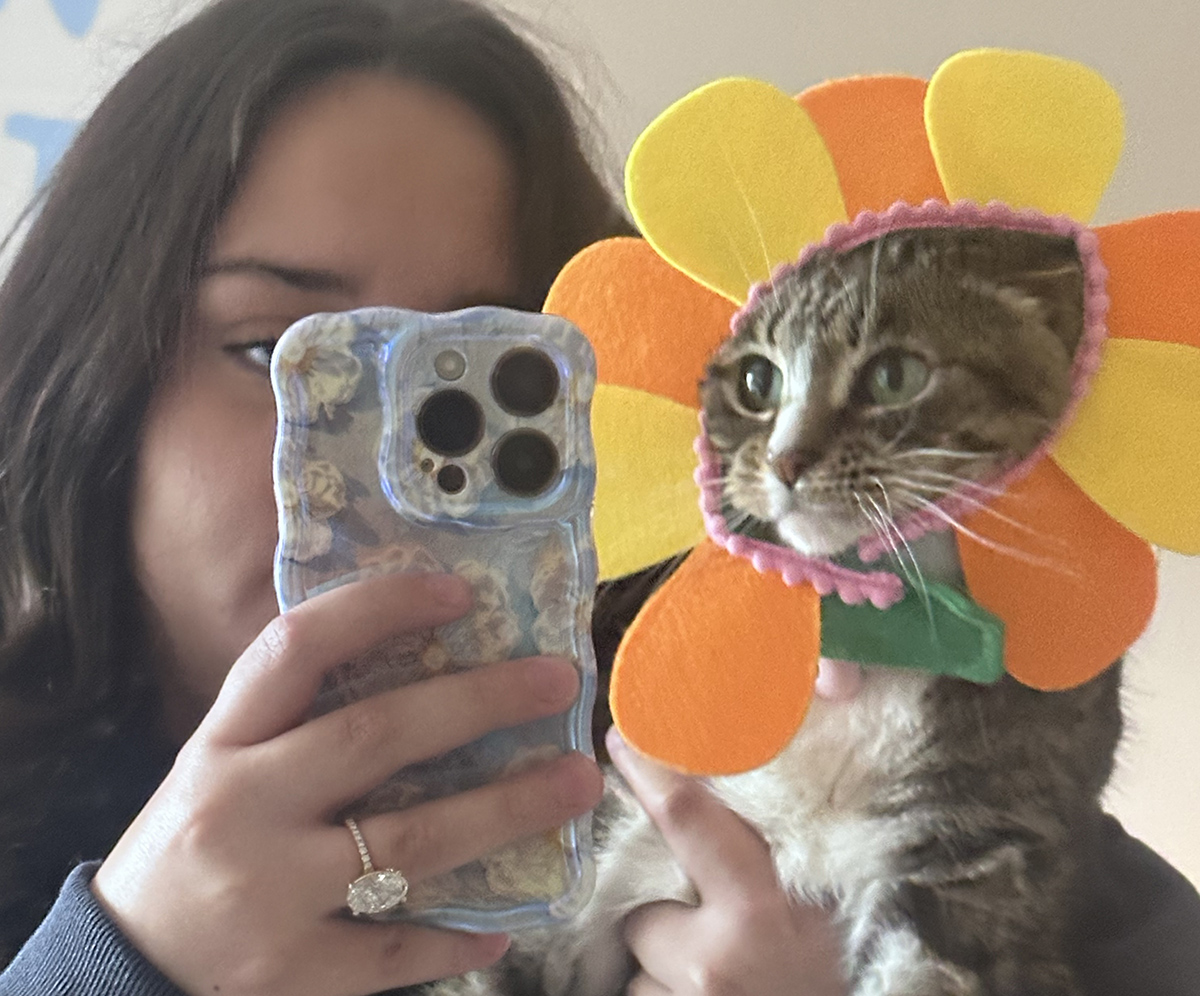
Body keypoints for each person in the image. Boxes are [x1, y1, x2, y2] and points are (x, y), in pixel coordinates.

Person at [0, 0, 1197, 994]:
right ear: (93, 378)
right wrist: (113, 965)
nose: (394, 466)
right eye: (279, 354)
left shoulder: (795, 738)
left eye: (494, 378)